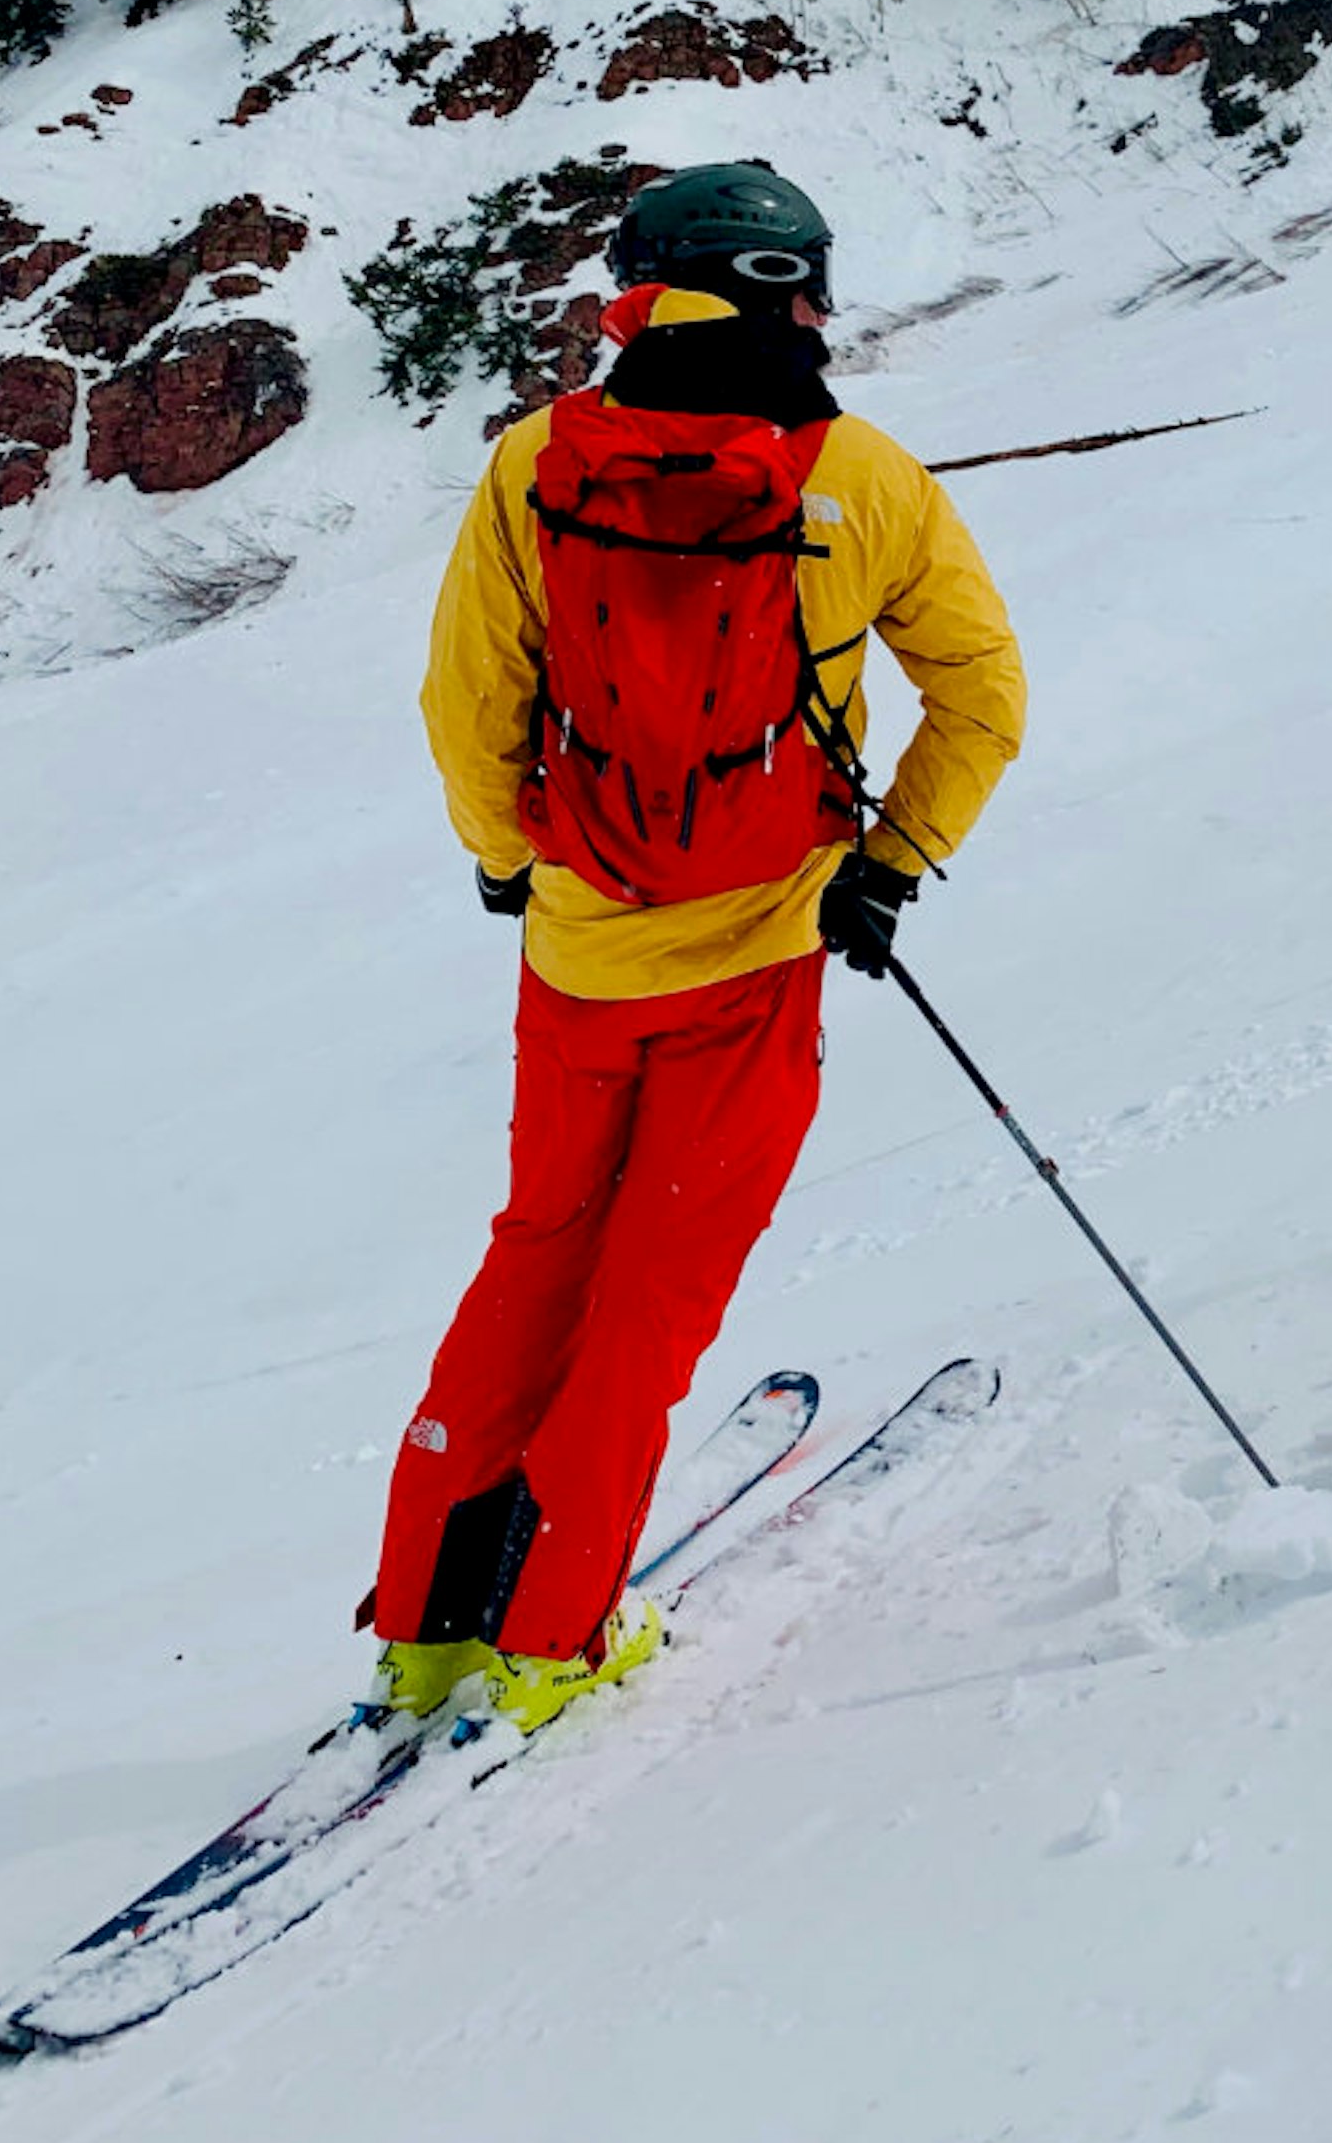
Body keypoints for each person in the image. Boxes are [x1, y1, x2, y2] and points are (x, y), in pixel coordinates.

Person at [370, 163, 1027, 1732]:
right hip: (760, 956)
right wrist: (889, 866)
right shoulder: (861, 476)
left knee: (537, 1261)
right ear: (786, 287)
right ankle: (555, 1637)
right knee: (653, 1296)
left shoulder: (539, 458)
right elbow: (982, 696)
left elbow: (468, 709)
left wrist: (508, 861)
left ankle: (425, 1629)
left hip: (582, 955)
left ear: (645, 286)